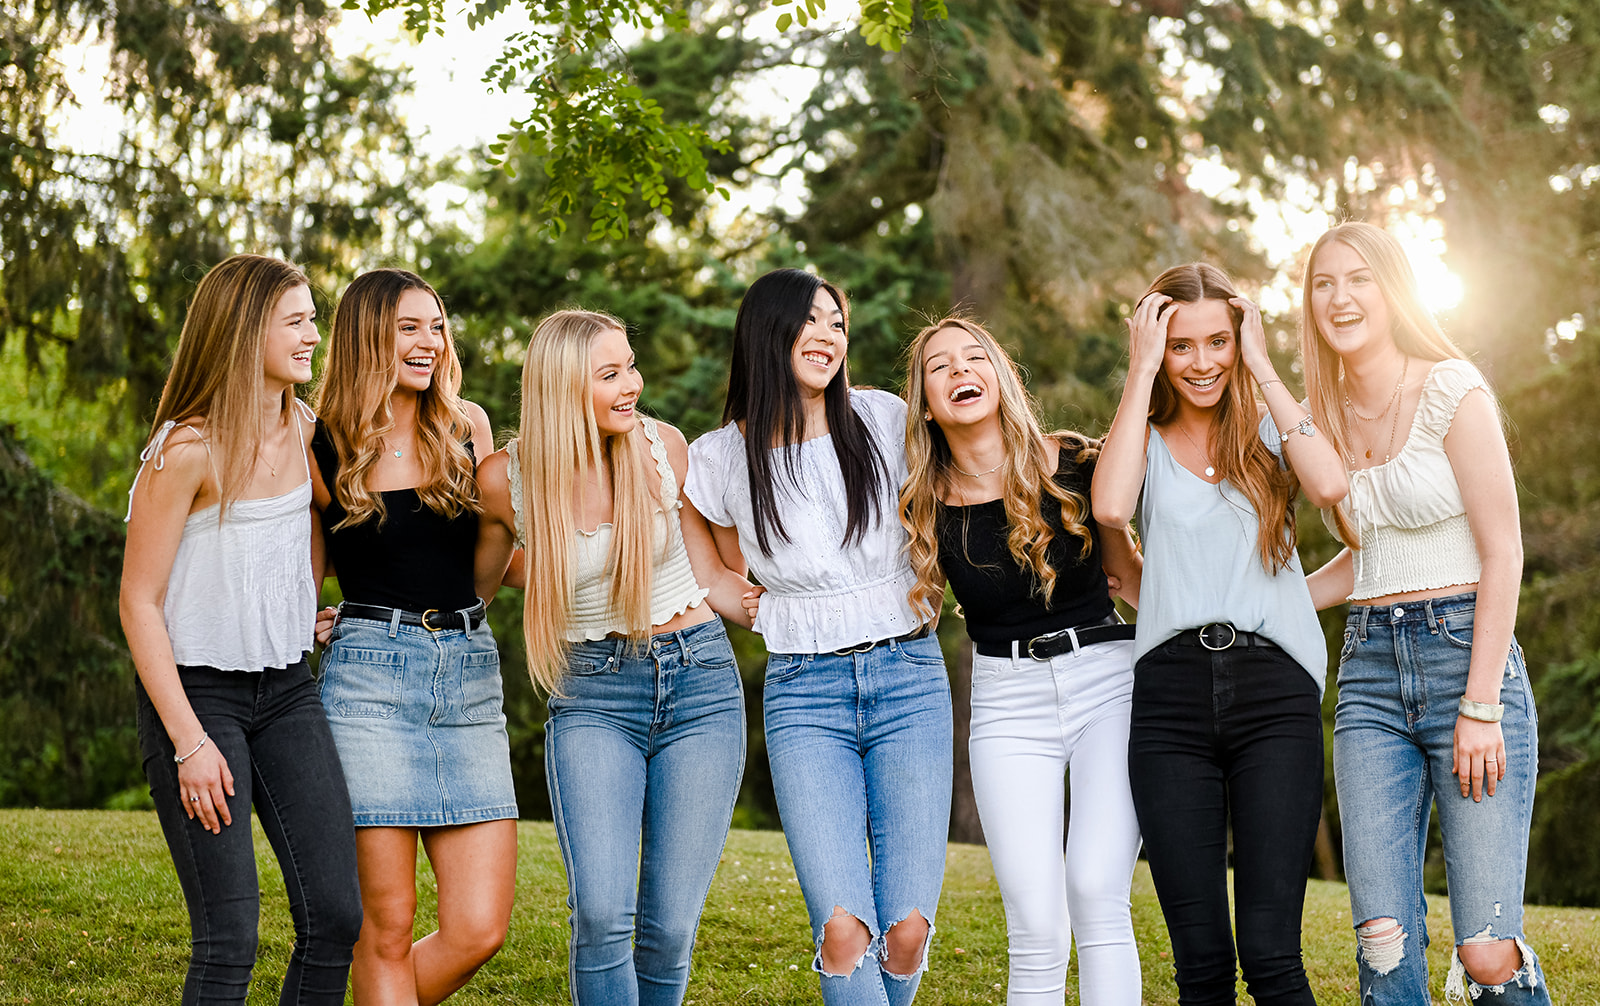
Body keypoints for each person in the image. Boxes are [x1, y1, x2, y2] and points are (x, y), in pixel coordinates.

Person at [684, 268, 954, 1006]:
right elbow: (708, 567)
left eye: (837, 321)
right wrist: (767, 614)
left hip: (910, 680)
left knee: (906, 932)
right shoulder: (720, 457)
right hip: (805, 694)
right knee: (843, 929)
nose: (830, 335)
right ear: (767, 332)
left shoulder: (882, 417)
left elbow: (955, 493)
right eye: (811, 320)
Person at [1298, 222, 1550, 1005]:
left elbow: (1502, 552)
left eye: (1359, 278)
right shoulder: (1323, 416)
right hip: (1370, 670)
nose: (1340, 297)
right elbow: (1365, 557)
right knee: (1382, 942)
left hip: (1467, 658)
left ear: (1393, 288)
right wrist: (1265, 606)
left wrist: (1479, 705)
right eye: (1323, 283)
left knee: (1484, 953)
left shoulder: (1451, 387)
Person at [474, 308, 753, 1006]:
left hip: (700, 684)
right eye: (610, 374)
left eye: (629, 366)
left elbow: (724, 561)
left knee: (667, 928)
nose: (632, 383)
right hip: (593, 693)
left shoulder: (663, 448)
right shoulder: (505, 480)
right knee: (601, 915)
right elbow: (478, 582)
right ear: (564, 386)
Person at [1091, 263, 1348, 1005]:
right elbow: (1110, 508)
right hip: (1169, 701)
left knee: (1272, 954)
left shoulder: (1272, 426)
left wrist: (1264, 363)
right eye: (1180, 346)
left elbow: (1330, 487)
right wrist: (1140, 370)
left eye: (1218, 342)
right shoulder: (1140, 436)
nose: (1201, 363)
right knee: (1201, 963)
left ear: (1239, 342)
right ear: (1157, 349)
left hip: (1276, 693)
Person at [120, 253, 363, 1004]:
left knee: (336, 917)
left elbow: (321, 523)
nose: (313, 336)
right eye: (296, 322)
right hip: (197, 701)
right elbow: (138, 603)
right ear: (243, 331)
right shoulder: (185, 450)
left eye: (313, 320)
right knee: (230, 939)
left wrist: (302, 602)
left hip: (289, 692)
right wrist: (189, 742)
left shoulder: (307, 429)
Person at [899, 316, 1145, 1005]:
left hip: (1109, 684)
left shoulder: (1073, 463)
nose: (958, 372)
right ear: (924, 400)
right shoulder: (920, 503)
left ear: (1001, 377)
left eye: (974, 358)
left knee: (1098, 891)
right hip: (1006, 701)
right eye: (939, 367)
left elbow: (1131, 578)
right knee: (1035, 924)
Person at [309, 268, 517, 1004]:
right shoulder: (318, 440)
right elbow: (298, 569)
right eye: (409, 328)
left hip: (466, 671)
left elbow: (500, 561)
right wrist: (306, 618)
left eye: (436, 327)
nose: (430, 342)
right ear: (368, 335)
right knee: (386, 930)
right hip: (368, 680)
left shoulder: (468, 428)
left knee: (478, 928)